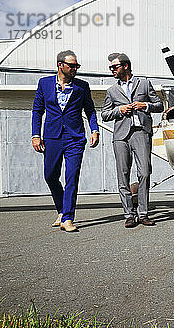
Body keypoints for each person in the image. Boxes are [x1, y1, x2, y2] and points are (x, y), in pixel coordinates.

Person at [31, 50, 99, 232]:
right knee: (50, 175)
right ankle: (61, 210)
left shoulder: (82, 86)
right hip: (52, 137)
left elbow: (90, 111)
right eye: (72, 65)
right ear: (60, 65)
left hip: (74, 138)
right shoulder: (44, 84)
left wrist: (95, 130)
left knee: (71, 177)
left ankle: (68, 217)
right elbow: (37, 110)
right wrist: (35, 135)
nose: (75, 68)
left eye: (77, 65)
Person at [102, 53, 163, 228]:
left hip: (141, 133)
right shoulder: (112, 91)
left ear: (126, 66)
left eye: (115, 67)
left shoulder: (144, 83)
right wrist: (119, 110)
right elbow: (105, 114)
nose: (112, 70)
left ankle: (143, 214)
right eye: (111, 68)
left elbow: (159, 105)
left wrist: (145, 106)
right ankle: (129, 214)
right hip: (121, 136)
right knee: (123, 175)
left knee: (144, 172)